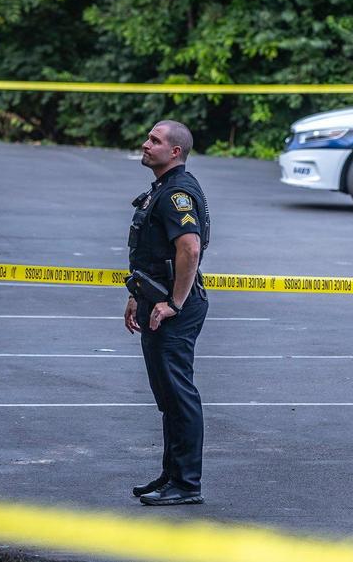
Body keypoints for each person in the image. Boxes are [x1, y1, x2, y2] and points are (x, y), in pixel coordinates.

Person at [123, 120, 210, 506]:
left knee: (179, 395)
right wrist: (136, 296)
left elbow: (189, 249)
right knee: (167, 397)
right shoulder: (162, 189)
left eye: (154, 141)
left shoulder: (178, 193)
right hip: (155, 301)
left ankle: (187, 484)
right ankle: (171, 475)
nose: (146, 144)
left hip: (175, 308)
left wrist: (173, 303)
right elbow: (154, 254)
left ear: (174, 152)